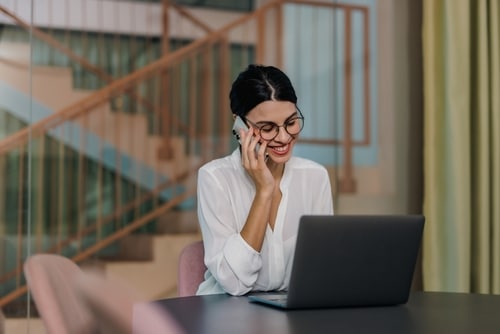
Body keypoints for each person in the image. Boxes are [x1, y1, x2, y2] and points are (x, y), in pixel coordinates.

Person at [196, 64, 334, 296]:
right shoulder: (215, 178)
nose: (283, 137)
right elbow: (234, 284)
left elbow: (323, 270)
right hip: (225, 313)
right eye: (268, 128)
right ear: (240, 125)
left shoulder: (315, 177)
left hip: (291, 313)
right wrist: (264, 190)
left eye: (291, 122)